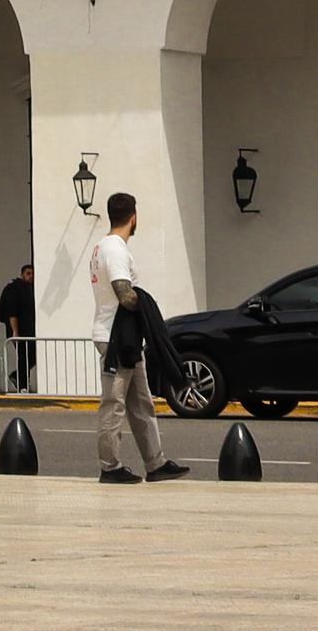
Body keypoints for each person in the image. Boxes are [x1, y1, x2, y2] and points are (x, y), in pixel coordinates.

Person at [91, 193, 184, 484]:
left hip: (122, 337)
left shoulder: (100, 247)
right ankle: (110, 466)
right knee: (114, 404)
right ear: (133, 217)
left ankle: (155, 462)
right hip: (117, 337)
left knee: (141, 402)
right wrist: (146, 306)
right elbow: (124, 293)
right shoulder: (116, 250)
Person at [0, 263, 39, 394]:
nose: (31, 277)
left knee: (33, 356)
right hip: (20, 331)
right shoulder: (14, 289)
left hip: (31, 331)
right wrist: (15, 332)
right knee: (24, 357)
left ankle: (18, 378)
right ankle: (23, 385)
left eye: (33, 274)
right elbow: (11, 312)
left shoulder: (32, 289)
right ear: (22, 275)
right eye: (28, 274)